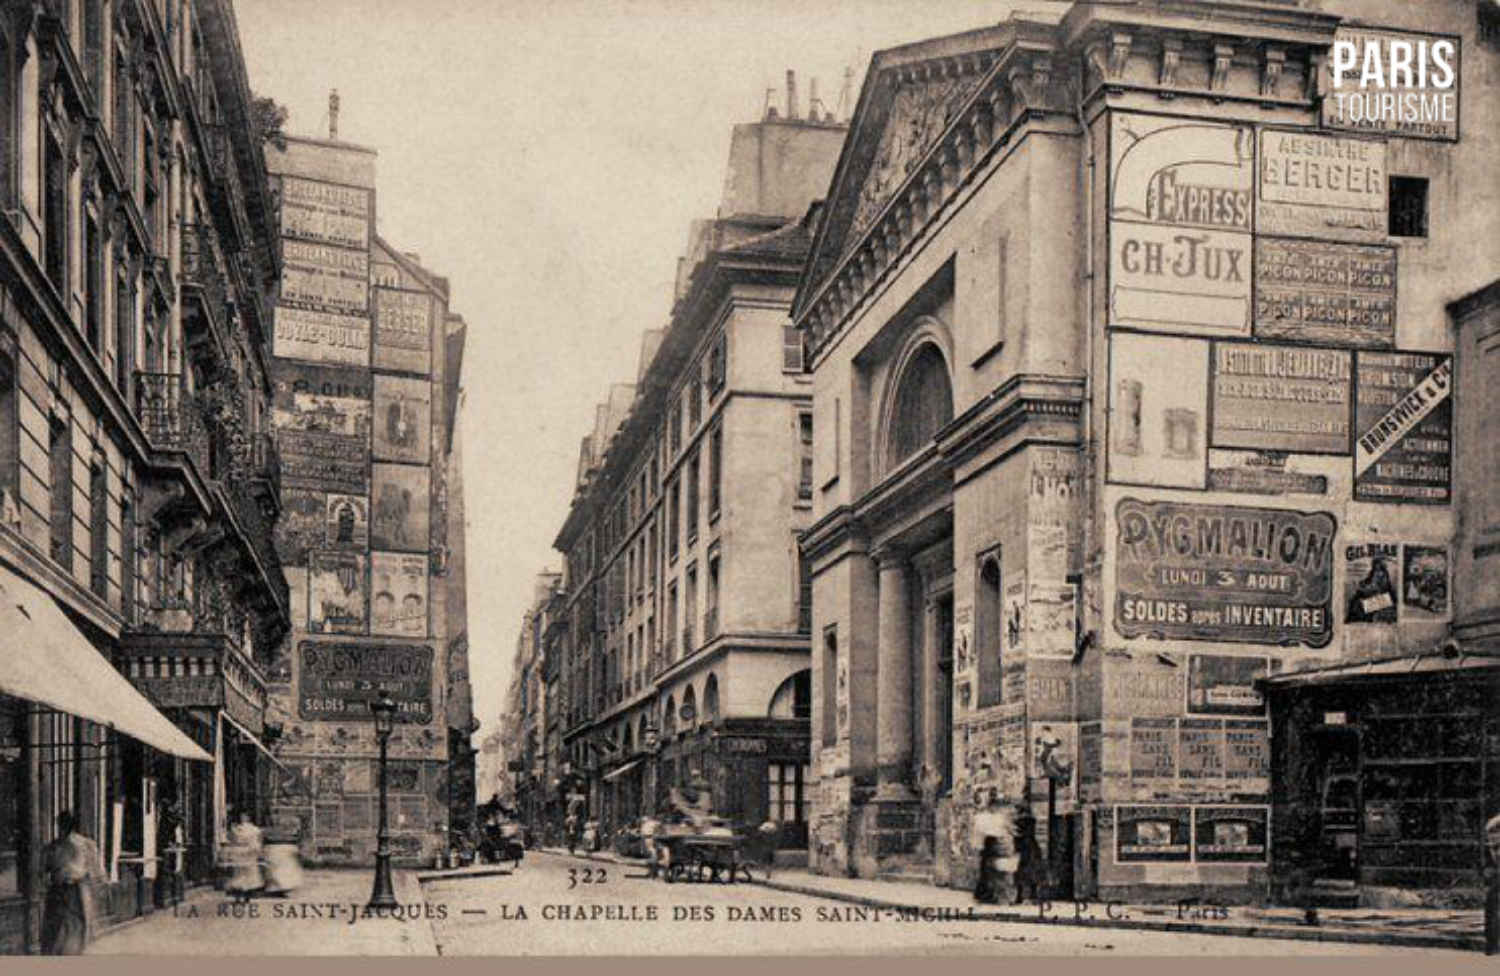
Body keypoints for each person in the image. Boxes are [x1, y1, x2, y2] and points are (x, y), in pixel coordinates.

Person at [41, 811, 101, 955]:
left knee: (72, 925)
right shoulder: (55, 846)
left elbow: (94, 871)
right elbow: (43, 869)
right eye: (60, 824)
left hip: (75, 890)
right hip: (58, 891)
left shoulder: (84, 845)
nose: (62, 827)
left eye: (64, 824)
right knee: (57, 925)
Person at [970, 790, 1015, 905]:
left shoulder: (987, 817)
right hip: (992, 845)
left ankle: (988, 894)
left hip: (991, 846)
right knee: (995, 872)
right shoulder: (995, 818)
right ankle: (992, 895)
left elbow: (979, 833)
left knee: (991, 871)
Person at [224, 809, 265, 902]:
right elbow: (231, 840)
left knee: (245, 874)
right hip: (241, 852)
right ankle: (240, 895)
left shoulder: (252, 829)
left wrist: (255, 850)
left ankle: (245, 895)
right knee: (240, 874)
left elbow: (255, 841)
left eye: (245, 816)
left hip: (245, 852)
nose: (243, 818)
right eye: (242, 816)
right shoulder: (237, 829)